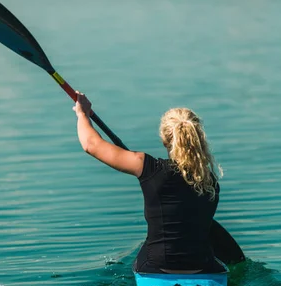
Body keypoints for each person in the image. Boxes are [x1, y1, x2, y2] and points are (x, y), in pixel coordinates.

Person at [72, 91, 226, 274]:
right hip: (204, 267)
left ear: (164, 140)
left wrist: (82, 114)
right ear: (198, 139)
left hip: (157, 267)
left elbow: (91, 145)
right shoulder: (209, 179)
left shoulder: (148, 168)